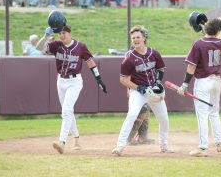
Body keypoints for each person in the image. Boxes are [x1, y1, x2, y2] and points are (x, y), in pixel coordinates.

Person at [36, 24, 107, 154]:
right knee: (68, 112)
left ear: (70, 33)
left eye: (64, 33)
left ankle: (62, 142)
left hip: (75, 81)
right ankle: (76, 140)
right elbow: (39, 47)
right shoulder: (56, 45)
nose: (62, 36)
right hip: (61, 81)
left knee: (66, 111)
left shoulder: (80, 46)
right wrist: (45, 36)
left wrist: (98, 79)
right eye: (60, 34)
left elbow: (90, 61)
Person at [112, 25, 173, 156]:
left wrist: (157, 82)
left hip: (153, 91)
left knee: (164, 119)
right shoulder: (129, 57)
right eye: (133, 38)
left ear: (144, 38)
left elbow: (161, 69)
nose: (135, 40)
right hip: (138, 92)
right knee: (132, 114)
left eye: (138, 37)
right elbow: (123, 79)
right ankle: (119, 147)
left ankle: (164, 145)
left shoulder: (154, 53)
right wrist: (138, 87)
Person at [177, 17, 221, 157]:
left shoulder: (198, 44)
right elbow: (211, 43)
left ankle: (203, 147)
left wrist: (185, 84)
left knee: (202, 114)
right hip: (217, 80)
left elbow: (191, 66)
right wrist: (206, 30)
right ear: (218, 31)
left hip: (203, 81)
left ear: (206, 29)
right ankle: (220, 142)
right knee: (214, 112)